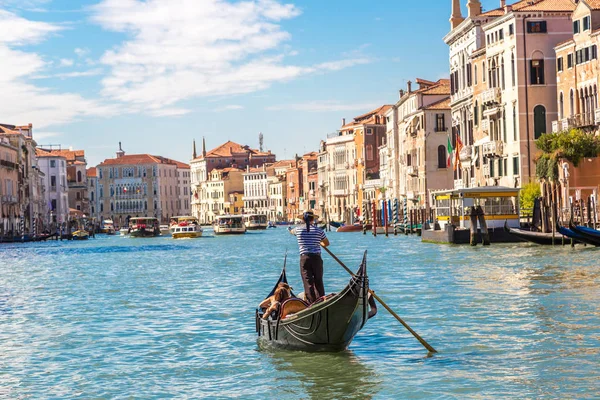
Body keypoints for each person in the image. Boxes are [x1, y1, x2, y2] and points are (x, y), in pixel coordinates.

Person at [288, 211, 330, 303]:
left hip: (305, 258)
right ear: (313, 219)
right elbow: (327, 243)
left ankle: (311, 302)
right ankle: (321, 300)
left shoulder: (298, 230)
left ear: (303, 219)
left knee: (308, 282)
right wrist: (319, 242)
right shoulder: (319, 231)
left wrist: (289, 230)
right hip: (316, 258)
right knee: (318, 280)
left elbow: (292, 232)